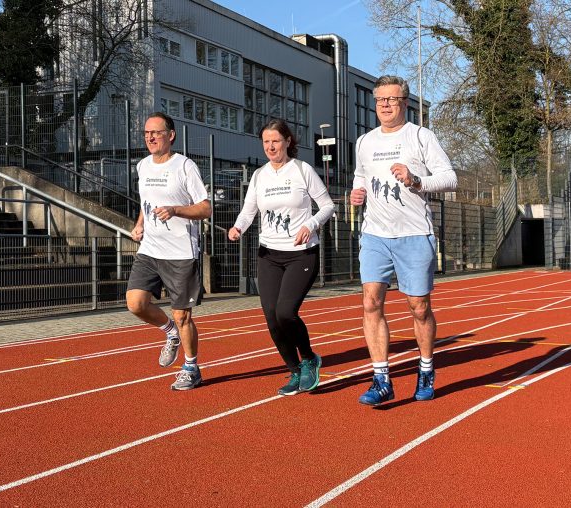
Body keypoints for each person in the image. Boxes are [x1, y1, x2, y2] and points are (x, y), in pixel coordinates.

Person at [350, 75, 457, 406]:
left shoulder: (421, 136)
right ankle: (381, 378)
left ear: (404, 104)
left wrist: (416, 180)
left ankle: (426, 369)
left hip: (414, 233)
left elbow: (450, 178)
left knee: (419, 307)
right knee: (371, 302)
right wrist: (357, 192)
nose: (384, 105)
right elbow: (360, 176)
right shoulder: (364, 141)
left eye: (391, 100)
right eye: (380, 99)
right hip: (375, 234)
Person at [228, 119, 335, 396]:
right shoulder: (259, 175)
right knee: (272, 319)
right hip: (269, 255)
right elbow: (248, 210)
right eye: (266, 142)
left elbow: (327, 206)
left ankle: (310, 358)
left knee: (286, 312)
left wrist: (309, 225)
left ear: (288, 141)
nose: (270, 146)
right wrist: (238, 227)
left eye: (275, 140)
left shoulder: (302, 170)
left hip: (301, 254)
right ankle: (294, 370)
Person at [126, 112, 212, 391]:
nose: (150, 137)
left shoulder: (184, 167)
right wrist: (139, 225)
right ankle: (169, 333)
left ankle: (191, 367)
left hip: (180, 252)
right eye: (146, 133)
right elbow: (146, 202)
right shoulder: (142, 166)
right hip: (151, 248)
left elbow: (205, 207)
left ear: (170, 135)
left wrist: (176, 210)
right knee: (135, 303)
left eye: (156, 132)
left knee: (182, 315)